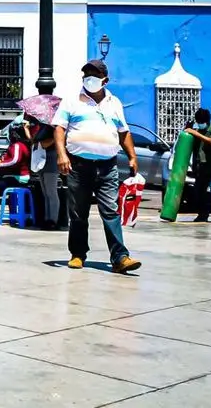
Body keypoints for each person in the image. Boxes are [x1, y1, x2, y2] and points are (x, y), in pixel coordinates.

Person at [52, 59, 142, 274]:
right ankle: (77, 254)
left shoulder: (114, 102)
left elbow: (123, 132)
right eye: (86, 75)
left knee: (110, 211)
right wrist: (62, 154)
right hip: (78, 165)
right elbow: (59, 128)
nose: (89, 79)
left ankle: (120, 257)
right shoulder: (72, 100)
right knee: (78, 212)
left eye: (93, 75)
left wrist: (132, 156)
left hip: (107, 166)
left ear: (105, 80)